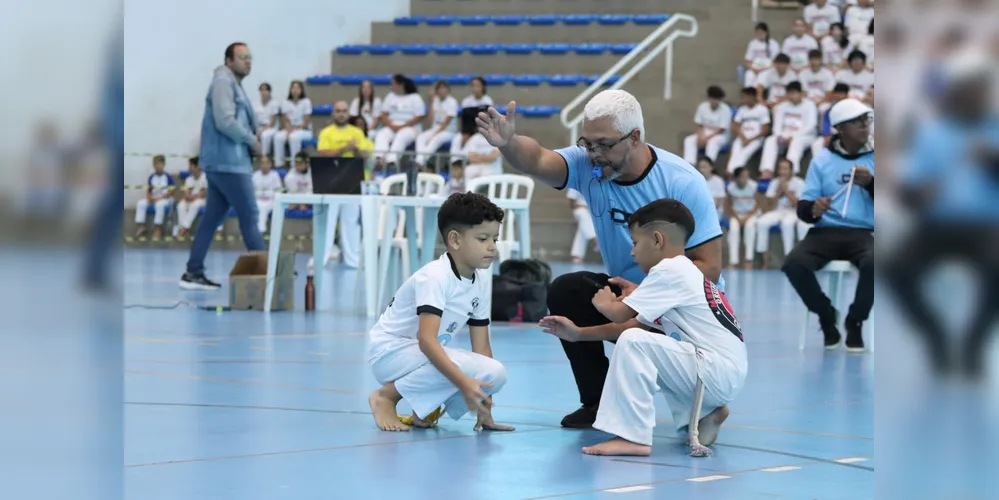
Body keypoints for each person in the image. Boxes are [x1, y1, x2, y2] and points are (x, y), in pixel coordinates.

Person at [475, 89, 723, 428]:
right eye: (586, 143)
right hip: (627, 294)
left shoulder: (683, 182)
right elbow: (538, 160)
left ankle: (702, 400)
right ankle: (597, 403)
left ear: (634, 137)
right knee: (568, 290)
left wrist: (649, 296)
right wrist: (509, 144)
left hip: (685, 307)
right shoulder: (588, 164)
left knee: (698, 414)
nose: (593, 153)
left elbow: (709, 266)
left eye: (603, 144)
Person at [540, 199, 746, 456]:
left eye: (635, 243)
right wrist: (579, 334)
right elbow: (632, 323)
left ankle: (633, 436)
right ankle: (707, 413)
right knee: (653, 344)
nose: (632, 252)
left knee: (635, 342)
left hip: (716, 371)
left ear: (657, 240)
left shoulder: (670, 270)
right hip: (721, 373)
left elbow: (620, 317)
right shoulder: (685, 272)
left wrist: (605, 303)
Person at [367, 192, 513, 432]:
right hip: (390, 352)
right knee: (459, 367)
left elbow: (483, 352)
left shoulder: (480, 280)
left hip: (418, 354)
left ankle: (423, 409)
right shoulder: (434, 276)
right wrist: (464, 383)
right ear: (455, 240)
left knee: (495, 372)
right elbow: (426, 340)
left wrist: (485, 405)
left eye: (495, 239)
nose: (491, 247)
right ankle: (386, 397)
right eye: (483, 238)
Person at [782, 98, 874, 351]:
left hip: (864, 233)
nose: (865, 127)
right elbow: (804, 208)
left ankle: (855, 320)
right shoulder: (821, 160)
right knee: (793, 264)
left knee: (877, 264)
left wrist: (872, 184)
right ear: (841, 129)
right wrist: (813, 209)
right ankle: (826, 314)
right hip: (824, 232)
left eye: (866, 121)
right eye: (857, 123)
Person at [180, 42, 265, 290]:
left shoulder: (234, 84)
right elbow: (224, 120)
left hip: (227, 162)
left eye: (250, 57)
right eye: (242, 57)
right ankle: (266, 273)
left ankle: (193, 272)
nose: (248, 61)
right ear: (228, 61)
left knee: (211, 219)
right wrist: (251, 140)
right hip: (229, 163)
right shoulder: (223, 83)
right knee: (249, 215)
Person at [315, 101, 372, 268]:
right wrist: (345, 148)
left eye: (344, 111)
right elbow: (323, 153)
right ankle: (321, 258)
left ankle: (352, 259)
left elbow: (364, 156)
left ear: (348, 114)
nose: (341, 114)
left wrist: (355, 150)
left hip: (352, 180)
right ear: (333, 113)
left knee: (351, 222)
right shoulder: (326, 133)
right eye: (338, 111)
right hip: (329, 180)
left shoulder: (357, 132)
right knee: (327, 221)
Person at [681, 85, 732, 165]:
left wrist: (706, 139)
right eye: (713, 99)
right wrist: (700, 136)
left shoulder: (725, 109)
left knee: (712, 142)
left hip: (719, 135)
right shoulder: (702, 107)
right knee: (689, 140)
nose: (715, 101)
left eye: (717, 99)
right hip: (704, 133)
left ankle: (708, 164)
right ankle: (690, 164)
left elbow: (721, 129)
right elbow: (699, 124)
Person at [134, 154, 175, 239]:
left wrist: (160, 198)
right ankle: (141, 226)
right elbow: (149, 190)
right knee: (141, 203)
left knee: (159, 205)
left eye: (159, 164)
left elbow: (171, 191)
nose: (157, 166)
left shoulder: (168, 177)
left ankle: (158, 228)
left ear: (163, 165)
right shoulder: (151, 177)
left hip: (165, 199)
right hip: (154, 198)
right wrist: (149, 198)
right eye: (155, 164)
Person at [175, 157, 207, 239]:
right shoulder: (189, 179)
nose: (189, 168)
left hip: (202, 200)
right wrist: (188, 197)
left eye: (191, 165)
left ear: (197, 167)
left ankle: (184, 229)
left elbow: (204, 193)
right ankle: (184, 230)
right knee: (181, 205)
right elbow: (186, 193)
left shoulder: (205, 177)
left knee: (195, 205)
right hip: (190, 199)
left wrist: (194, 197)